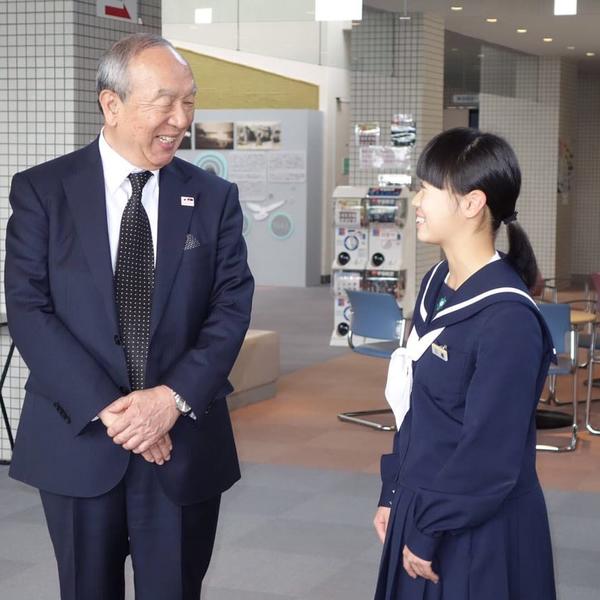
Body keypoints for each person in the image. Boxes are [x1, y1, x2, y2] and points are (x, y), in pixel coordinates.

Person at [5, 33, 254, 600]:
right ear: (111, 104)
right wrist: (118, 414)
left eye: (189, 101)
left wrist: (168, 401)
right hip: (80, 437)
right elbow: (29, 309)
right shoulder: (43, 191)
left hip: (182, 439)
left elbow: (231, 307)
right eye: (164, 101)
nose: (180, 119)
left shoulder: (213, 197)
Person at [372, 127, 557, 599]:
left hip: (472, 531)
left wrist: (429, 528)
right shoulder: (437, 282)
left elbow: (490, 453)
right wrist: (393, 492)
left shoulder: (508, 318)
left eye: (428, 189)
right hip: (422, 506)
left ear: (472, 203)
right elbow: (417, 408)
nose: (417, 202)